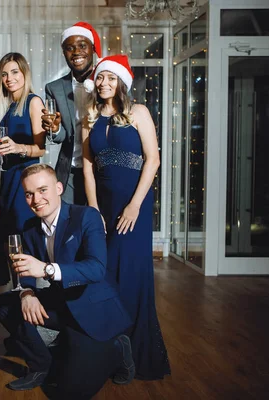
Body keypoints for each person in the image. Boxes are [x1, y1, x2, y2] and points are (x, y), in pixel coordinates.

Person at [0, 164, 135, 398]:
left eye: (42, 190)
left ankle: (119, 348)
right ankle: (40, 365)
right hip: (62, 303)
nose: (36, 199)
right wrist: (27, 294)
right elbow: (24, 269)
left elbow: (97, 268)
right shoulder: (29, 228)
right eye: (29, 193)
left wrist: (47, 269)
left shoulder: (86, 216)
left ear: (59, 188)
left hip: (92, 309)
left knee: (69, 393)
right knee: (3, 304)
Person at [82, 55, 170, 380]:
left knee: (130, 273)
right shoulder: (89, 117)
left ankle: (135, 351)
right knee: (104, 273)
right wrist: (92, 207)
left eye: (110, 77)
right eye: (100, 78)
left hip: (134, 205)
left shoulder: (139, 112)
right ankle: (110, 350)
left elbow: (153, 160)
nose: (104, 83)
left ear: (121, 81)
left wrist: (134, 205)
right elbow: (88, 168)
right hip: (102, 206)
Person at [42, 22, 102, 205]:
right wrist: (55, 128)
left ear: (92, 48)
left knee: (100, 229)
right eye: (69, 48)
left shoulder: (107, 82)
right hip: (70, 174)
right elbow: (59, 137)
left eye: (82, 46)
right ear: (64, 53)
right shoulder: (54, 88)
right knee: (68, 229)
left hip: (104, 172)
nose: (76, 52)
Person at [0, 52, 46, 236]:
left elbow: (41, 148)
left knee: (22, 234)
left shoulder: (34, 102)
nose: (9, 78)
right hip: (9, 177)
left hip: (25, 179)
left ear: (25, 73)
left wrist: (18, 148)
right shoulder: (10, 107)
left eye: (15, 72)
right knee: (7, 236)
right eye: (4, 74)